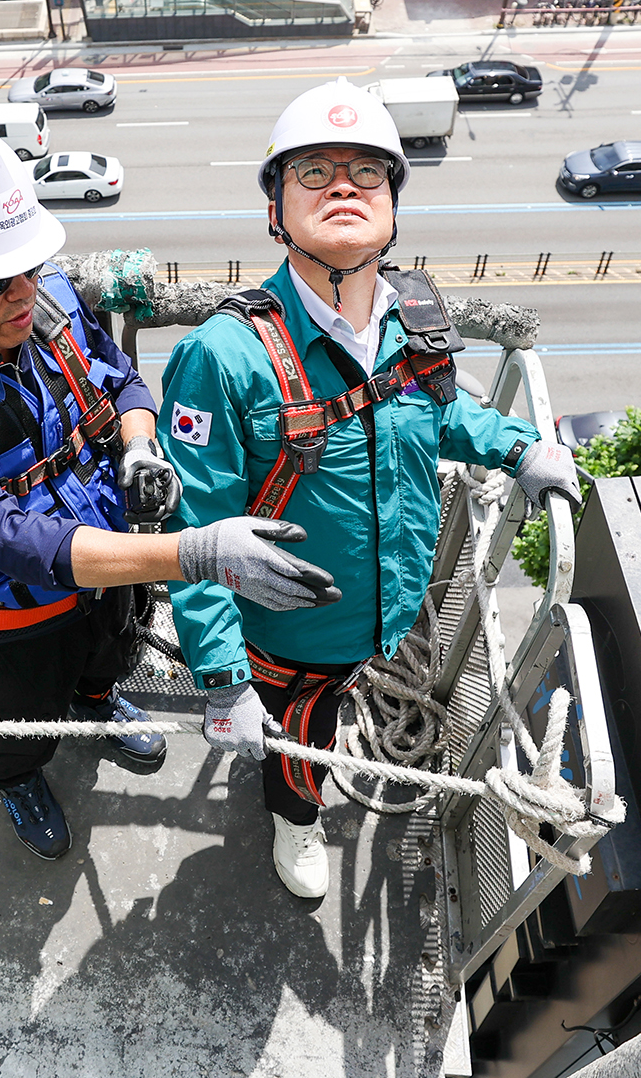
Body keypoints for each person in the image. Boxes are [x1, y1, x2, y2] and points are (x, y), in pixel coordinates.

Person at [0, 117, 338, 862]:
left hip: (111, 565)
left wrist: (137, 443)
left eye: (29, 267)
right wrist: (194, 554)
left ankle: (99, 701)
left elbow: (122, 379)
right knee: (17, 722)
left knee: (110, 654)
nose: (19, 292)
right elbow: (8, 536)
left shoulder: (48, 302)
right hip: (5, 617)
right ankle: (18, 779)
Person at [156, 79, 581, 898]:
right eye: (312, 172)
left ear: (392, 206)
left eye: (366, 172)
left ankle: (306, 764)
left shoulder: (410, 323)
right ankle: (295, 816)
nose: (343, 184)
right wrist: (222, 677)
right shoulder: (225, 354)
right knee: (298, 736)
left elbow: (437, 413)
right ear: (274, 209)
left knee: (334, 699)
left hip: (384, 609)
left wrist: (518, 444)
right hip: (287, 638)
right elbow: (195, 528)